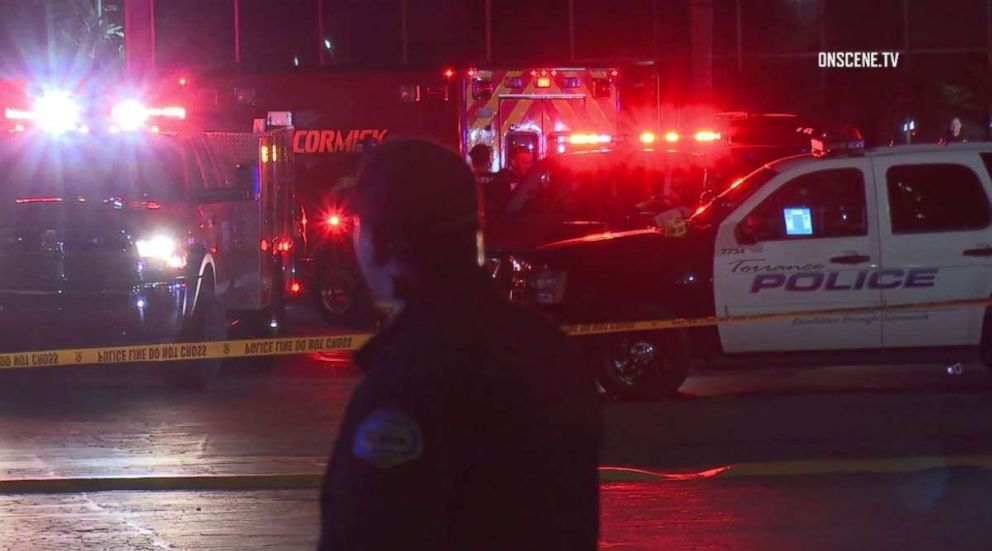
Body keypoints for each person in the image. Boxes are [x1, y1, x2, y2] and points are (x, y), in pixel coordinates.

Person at [318, 139, 600, 551]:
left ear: (381, 241)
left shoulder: (407, 379)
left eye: (361, 225)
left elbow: (367, 528)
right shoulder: (551, 352)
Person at [485, 143, 534, 216]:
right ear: (513, 162)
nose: (529, 166)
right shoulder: (503, 178)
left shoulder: (532, 179)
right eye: (525, 163)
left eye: (530, 162)